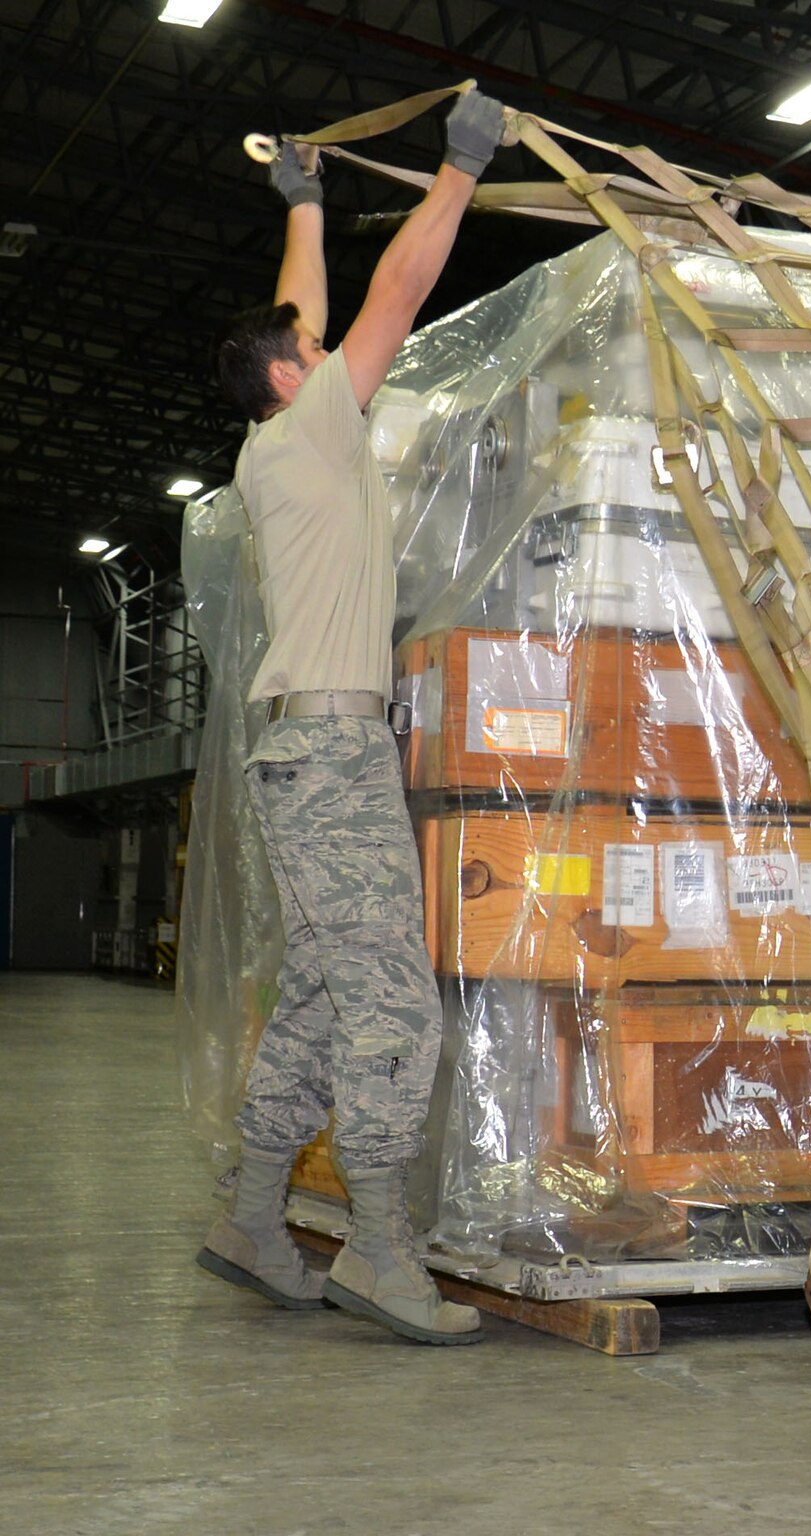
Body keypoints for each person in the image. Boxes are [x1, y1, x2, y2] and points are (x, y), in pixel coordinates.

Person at [197, 89, 506, 1343]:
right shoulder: (317, 427)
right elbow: (395, 298)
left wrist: (308, 199)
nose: (332, 356)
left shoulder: (279, 440)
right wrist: (460, 169)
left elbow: (310, 310)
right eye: (309, 353)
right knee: (393, 1005)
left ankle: (253, 1217)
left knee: (325, 998)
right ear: (292, 380)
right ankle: (380, 1249)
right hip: (329, 751)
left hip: (310, 747)